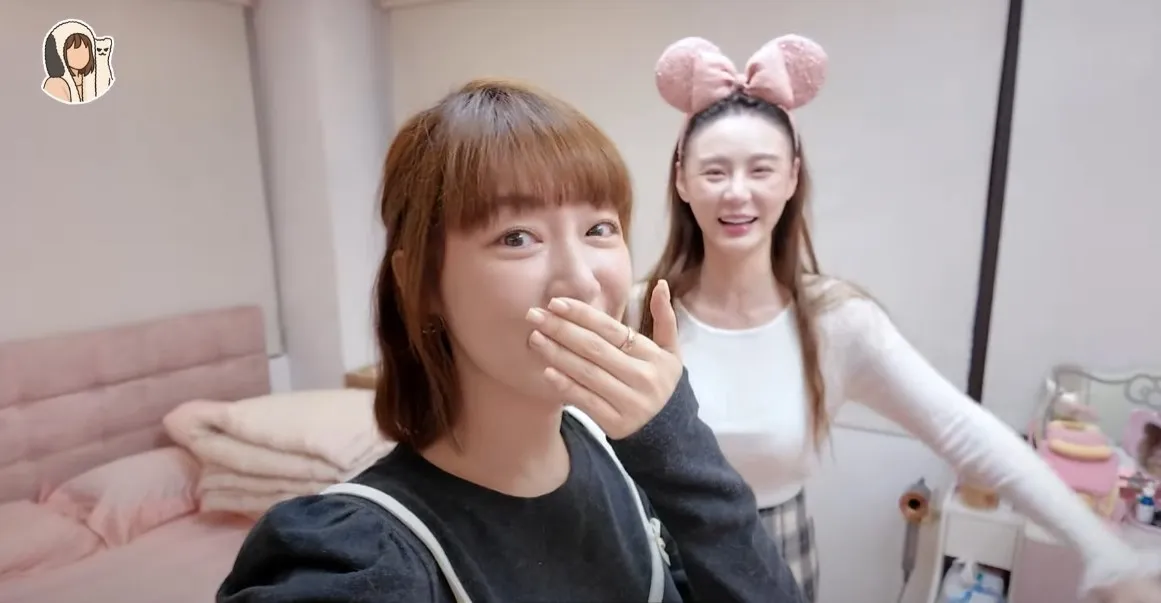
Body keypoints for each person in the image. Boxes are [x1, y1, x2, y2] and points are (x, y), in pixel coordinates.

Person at [217, 78, 806, 603]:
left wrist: (677, 446)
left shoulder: (621, 462)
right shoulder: (361, 562)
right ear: (420, 282)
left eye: (599, 228)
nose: (583, 280)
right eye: (517, 237)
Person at [633, 35, 1161, 603]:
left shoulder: (837, 321)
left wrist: (1104, 554)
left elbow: (965, 432)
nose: (737, 193)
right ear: (682, 179)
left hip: (775, 554)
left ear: (792, 176)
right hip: (648, 552)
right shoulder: (637, 307)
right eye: (715, 172)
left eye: (761, 169)